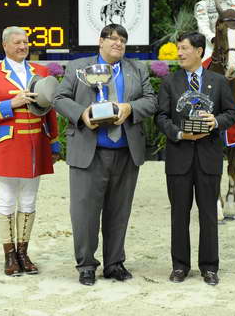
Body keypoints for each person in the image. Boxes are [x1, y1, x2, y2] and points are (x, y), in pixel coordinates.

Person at [53, 23, 157, 286]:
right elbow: (59, 98)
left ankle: (114, 263)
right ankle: (86, 265)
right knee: (84, 213)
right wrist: (82, 114)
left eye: (123, 40)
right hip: (89, 152)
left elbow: (152, 101)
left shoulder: (137, 69)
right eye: (112, 39)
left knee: (119, 212)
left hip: (125, 151)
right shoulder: (78, 67)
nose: (118, 43)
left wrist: (130, 108)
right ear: (100, 42)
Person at [0, 26, 60, 277]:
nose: (23, 46)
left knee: (29, 199)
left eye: (25, 42)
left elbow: (50, 110)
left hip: (36, 143)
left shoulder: (42, 72)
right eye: (17, 42)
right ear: (5, 46)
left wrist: (54, 142)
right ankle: (9, 255)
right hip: (7, 144)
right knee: (7, 199)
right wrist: (11, 104)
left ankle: (23, 252)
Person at [155, 32, 235, 286]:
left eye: (184, 49)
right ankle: (180, 266)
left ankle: (209, 267)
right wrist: (179, 133)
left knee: (208, 215)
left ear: (200, 51)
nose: (179, 53)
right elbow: (160, 117)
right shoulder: (169, 82)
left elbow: (231, 113)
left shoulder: (219, 81)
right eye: (178, 49)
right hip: (179, 158)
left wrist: (216, 122)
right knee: (179, 213)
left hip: (208, 159)